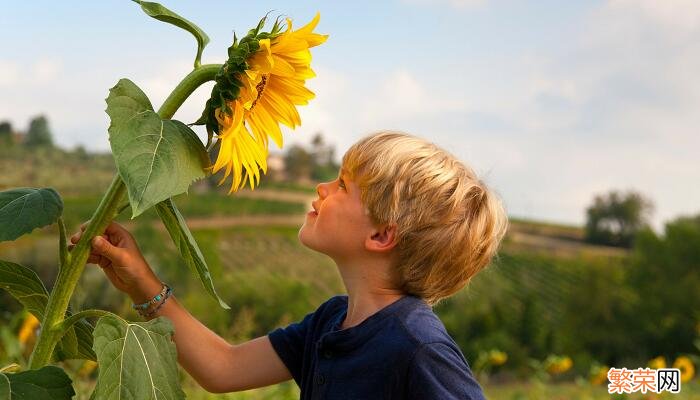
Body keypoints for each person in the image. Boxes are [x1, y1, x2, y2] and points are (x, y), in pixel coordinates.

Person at [70, 131, 508, 399]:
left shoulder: (418, 347)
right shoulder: (331, 322)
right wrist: (139, 281)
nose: (321, 187)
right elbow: (223, 368)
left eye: (342, 185)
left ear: (380, 236)